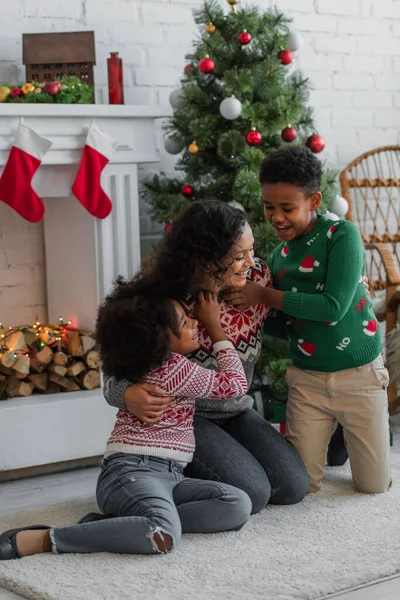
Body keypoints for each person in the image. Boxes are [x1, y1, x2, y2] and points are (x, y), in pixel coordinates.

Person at [0, 276, 252, 560]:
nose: (195, 323)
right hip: (132, 472)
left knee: (236, 504)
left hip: (170, 476)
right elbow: (235, 385)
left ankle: (120, 525)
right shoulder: (174, 369)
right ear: (158, 341)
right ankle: (43, 539)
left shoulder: (143, 363)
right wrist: (217, 330)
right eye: (185, 323)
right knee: (162, 534)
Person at [102, 199, 310, 514]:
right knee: (253, 492)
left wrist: (355, 285)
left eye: (251, 250)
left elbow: (314, 287)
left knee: (293, 485)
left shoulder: (258, 282)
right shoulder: (161, 305)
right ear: (207, 259)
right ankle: (161, 484)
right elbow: (113, 373)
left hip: (236, 409)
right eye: (239, 255)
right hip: (188, 419)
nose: (252, 262)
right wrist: (126, 394)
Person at [225, 146, 391, 494]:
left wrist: (264, 296)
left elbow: (333, 308)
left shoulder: (342, 235)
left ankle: (349, 434)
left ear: (314, 201)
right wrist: (238, 314)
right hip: (308, 381)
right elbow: (284, 325)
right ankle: (332, 433)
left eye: (287, 208)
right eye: (269, 207)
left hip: (359, 376)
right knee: (303, 486)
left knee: (374, 487)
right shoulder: (277, 256)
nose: (277, 217)